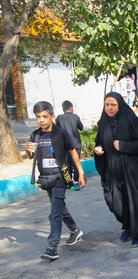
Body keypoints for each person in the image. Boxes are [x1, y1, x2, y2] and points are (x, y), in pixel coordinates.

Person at [25, 101, 86, 260]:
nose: (41, 120)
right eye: (38, 117)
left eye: (45, 116)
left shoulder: (61, 134)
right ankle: (75, 230)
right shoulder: (35, 135)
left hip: (60, 177)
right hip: (45, 179)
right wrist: (27, 150)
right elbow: (31, 156)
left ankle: (52, 247)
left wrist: (80, 172)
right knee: (59, 207)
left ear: (52, 116)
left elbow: (72, 151)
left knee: (55, 213)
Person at [94, 92, 138, 247]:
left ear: (119, 105)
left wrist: (123, 146)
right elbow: (100, 141)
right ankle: (126, 225)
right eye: (107, 104)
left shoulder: (130, 120)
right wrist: (99, 148)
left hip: (132, 170)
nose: (109, 108)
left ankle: (136, 233)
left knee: (135, 202)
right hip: (113, 170)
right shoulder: (103, 123)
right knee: (115, 202)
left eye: (113, 105)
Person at [55, 100, 84, 188]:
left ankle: (68, 182)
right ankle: (76, 181)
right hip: (76, 144)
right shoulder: (75, 117)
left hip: (64, 144)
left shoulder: (59, 118)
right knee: (76, 162)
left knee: (66, 162)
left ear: (63, 109)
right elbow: (81, 128)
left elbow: (57, 129)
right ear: (71, 108)